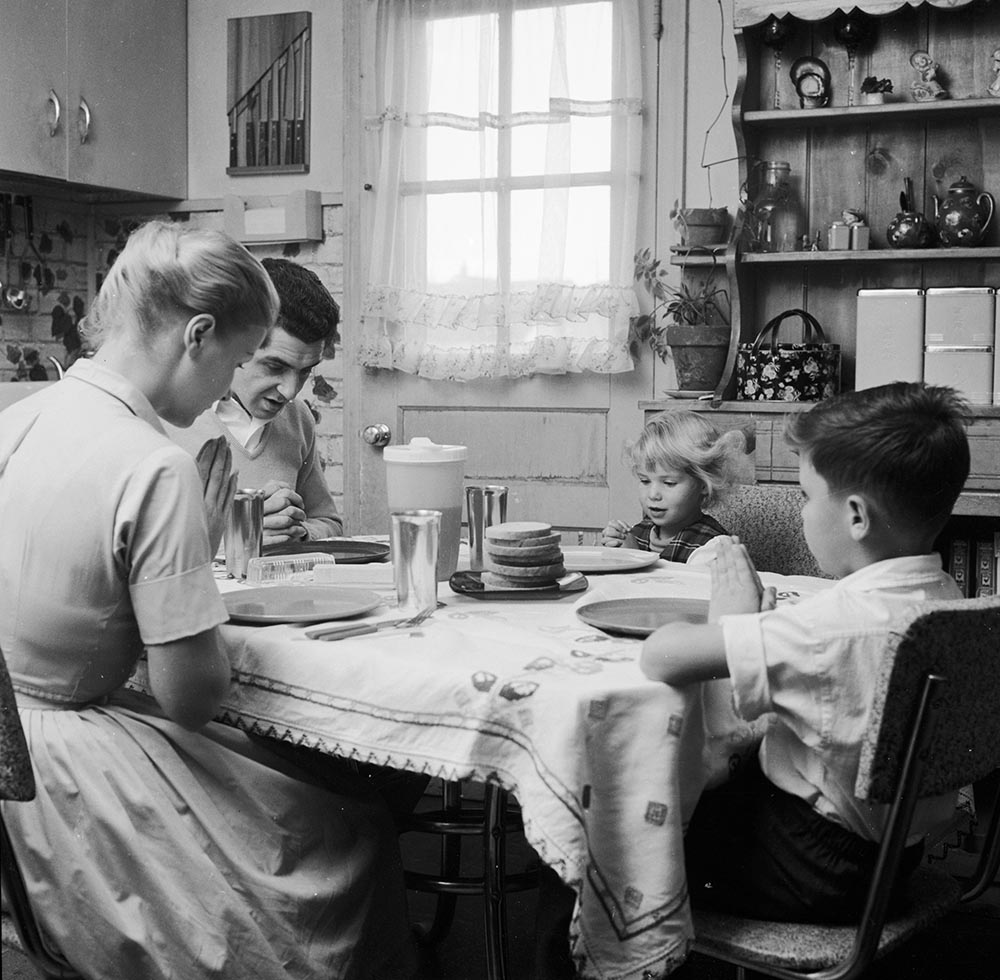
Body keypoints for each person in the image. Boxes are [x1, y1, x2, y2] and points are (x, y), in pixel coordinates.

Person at [0, 221, 416, 979]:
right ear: (197, 334)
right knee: (346, 823)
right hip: (71, 771)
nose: (232, 383)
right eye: (234, 355)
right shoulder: (155, 464)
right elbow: (189, 695)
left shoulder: (17, 422)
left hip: (11, 754)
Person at [639, 382, 971, 923]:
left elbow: (662, 656)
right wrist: (762, 630)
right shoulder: (947, 601)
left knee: (611, 834)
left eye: (806, 496)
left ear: (856, 516)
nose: (802, 511)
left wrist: (732, 616)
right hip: (891, 860)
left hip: (810, 865)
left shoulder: (829, 626)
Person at [167, 256, 343, 548]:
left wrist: (299, 531)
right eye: (274, 366)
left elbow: (329, 522)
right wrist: (242, 533)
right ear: (235, 342)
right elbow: (130, 544)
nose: (290, 392)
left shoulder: (298, 418)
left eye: (305, 371)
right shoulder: (164, 414)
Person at [602, 411, 750, 562]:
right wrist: (613, 554)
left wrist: (634, 558)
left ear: (704, 484)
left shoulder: (713, 549)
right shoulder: (638, 532)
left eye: (669, 483)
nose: (653, 495)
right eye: (645, 481)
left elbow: (682, 586)